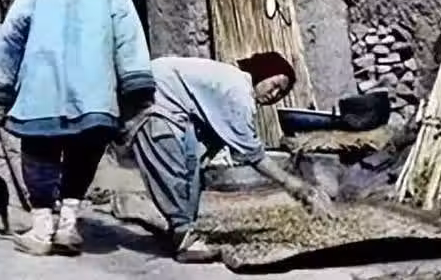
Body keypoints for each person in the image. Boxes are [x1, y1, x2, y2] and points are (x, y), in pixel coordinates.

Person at [0, 0, 155, 257]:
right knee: (84, 151)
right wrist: (134, 77)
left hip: (42, 83)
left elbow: (14, 27)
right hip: (93, 86)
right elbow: (126, 26)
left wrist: (0, 82)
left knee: (39, 151)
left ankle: (42, 230)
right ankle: (67, 225)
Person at [120, 53, 334, 263]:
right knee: (170, 164)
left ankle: (183, 229)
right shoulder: (238, 91)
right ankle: (184, 239)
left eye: (281, 93)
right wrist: (295, 186)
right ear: (263, 74)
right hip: (148, 96)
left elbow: (208, 144)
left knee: (191, 164)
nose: (274, 94)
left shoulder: (232, 85)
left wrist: (199, 164)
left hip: (165, 100)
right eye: (274, 84)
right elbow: (253, 154)